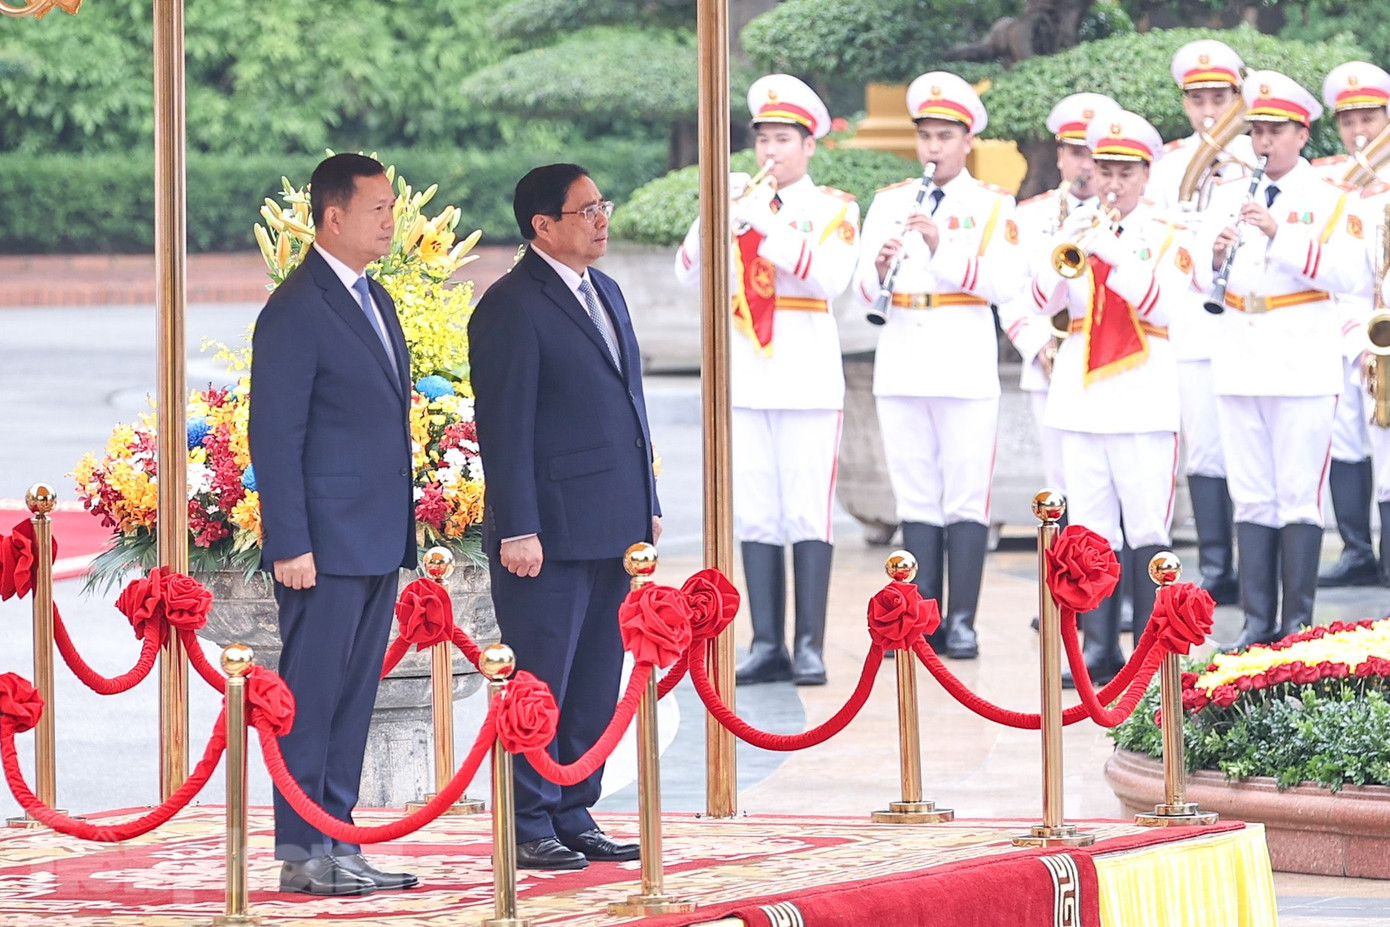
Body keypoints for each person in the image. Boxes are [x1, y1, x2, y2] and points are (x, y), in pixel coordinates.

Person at [470, 164, 660, 871]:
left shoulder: (605, 291)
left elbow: (629, 405)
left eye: (602, 205)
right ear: (542, 226)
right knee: (541, 675)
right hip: (545, 531)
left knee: (594, 676)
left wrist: (649, 502)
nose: (601, 219)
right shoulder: (511, 306)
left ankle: (575, 807)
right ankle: (527, 818)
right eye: (586, 211)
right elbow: (504, 424)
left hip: (613, 521)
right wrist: (517, 524)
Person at [249, 153, 419, 896]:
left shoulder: (373, 300)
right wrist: (291, 541)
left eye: (392, 207)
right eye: (378, 208)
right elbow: (273, 435)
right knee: (311, 697)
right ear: (333, 216)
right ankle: (302, 848)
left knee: (354, 698)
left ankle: (340, 838)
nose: (390, 219)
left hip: (376, 535)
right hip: (321, 544)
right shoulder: (295, 307)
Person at [674, 74, 859, 686]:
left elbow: (830, 279)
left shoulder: (833, 208)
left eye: (783, 139)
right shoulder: (738, 200)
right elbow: (686, 272)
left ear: (810, 145)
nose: (770, 152)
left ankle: (809, 645)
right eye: (763, 140)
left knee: (808, 513)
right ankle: (764, 643)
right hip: (746, 379)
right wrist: (714, 213)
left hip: (806, 378)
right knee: (755, 515)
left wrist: (766, 226)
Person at [851, 71, 1022, 659]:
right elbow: (857, 289)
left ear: (967, 139)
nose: (932, 147)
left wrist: (939, 247)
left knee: (965, 495)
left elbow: (1005, 283)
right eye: (925, 135)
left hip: (964, 362)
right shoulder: (889, 201)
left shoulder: (993, 206)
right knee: (916, 495)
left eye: (944, 136)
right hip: (902, 357)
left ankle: (964, 620)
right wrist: (876, 270)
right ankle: (920, 617)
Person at [1192, 72, 1363, 648]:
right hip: (1239, 355)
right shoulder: (1225, 194)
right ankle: (1257, 620)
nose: (1263, 142)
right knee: (1252, 492)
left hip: (1300, 363)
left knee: (1297, 494)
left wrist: (1280, 233)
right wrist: (1213, 255)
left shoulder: (1331, 199)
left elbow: (1350, 273)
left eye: (1274, 131)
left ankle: (1297, 624)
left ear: (1301, 133)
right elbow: (1193, 272)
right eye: (1257, 130)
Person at [1028, 111, 1188, 684]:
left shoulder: (1170, 233)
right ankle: (1097, 648)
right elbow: (1041, 300)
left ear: (1146, 175)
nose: (1112, 184)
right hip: (1080, 396)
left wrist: (1115, 251)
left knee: (1146, 526)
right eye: (1105, 171)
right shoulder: (1075, 225)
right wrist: (1068, 244)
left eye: (1125, 172)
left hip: (1142, 397)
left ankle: (1150, 647)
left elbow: (1166, 309)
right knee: (1091, 528)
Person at [1143, 39, 1255, 606]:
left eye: (1220, 97)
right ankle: (1218, 566)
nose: (1209, 111)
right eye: (1198, 100)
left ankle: (1260, 569)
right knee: (1205, 451)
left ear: (1239, 96)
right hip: (1190, 328)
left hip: (1252, 328)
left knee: (1254, 453)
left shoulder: (1259, 162)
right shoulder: (1165, 167)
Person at [1010, 92, 1122, 506]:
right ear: (1060, 156)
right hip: (1050, 357)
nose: (1086, 165)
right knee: (1058, 482)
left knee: (1109, 482)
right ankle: (1064, 570)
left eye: (1095, 154)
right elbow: (1011, 290)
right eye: (1076, 152)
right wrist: (1037, 343)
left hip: (1114, 356)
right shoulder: (1028, 215)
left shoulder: (1129, 216)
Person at [1310, 61, 1390, 588]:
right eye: (1348, 120)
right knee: (1346, 442)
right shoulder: (1328, 181)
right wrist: (1360, 341)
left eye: (1370, 117)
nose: (1359, 130)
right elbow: (1342, 276)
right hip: (1353, 333)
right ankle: (1358, 551)